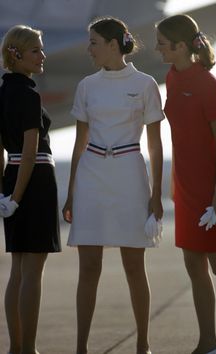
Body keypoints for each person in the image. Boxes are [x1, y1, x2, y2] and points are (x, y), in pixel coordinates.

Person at [62, 16, 164, 354]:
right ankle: (80, 348)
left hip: (130, 174)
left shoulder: (146, 83)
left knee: (135, 266)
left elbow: (156, 145)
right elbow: (79, 143)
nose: (89, 49)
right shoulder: (87, 85)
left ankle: (143, 344)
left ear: (112, 44)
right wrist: (72, 191)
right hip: (91, 175)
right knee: (89, 266)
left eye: (93, 42)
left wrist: (155, 194)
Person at [155, 14, 216, 354]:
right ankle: (208, 344)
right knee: (193, 265)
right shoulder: (172, 76)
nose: (158, 48)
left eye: (162, 43)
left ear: (181, 45)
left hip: (210, 188)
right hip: (184, 186)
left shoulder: (208, 84)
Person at [0, 25, 61, 354]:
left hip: (12, 180)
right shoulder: (28, 93)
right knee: (31, 273)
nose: (42, 56)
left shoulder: (3, 92)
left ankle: (15, 348)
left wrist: (4, 192)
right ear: (17, 54)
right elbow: (30, 147)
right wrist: (18, 197)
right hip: (33, 182)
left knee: (19, 270)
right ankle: (29, 350)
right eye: (36, 50)